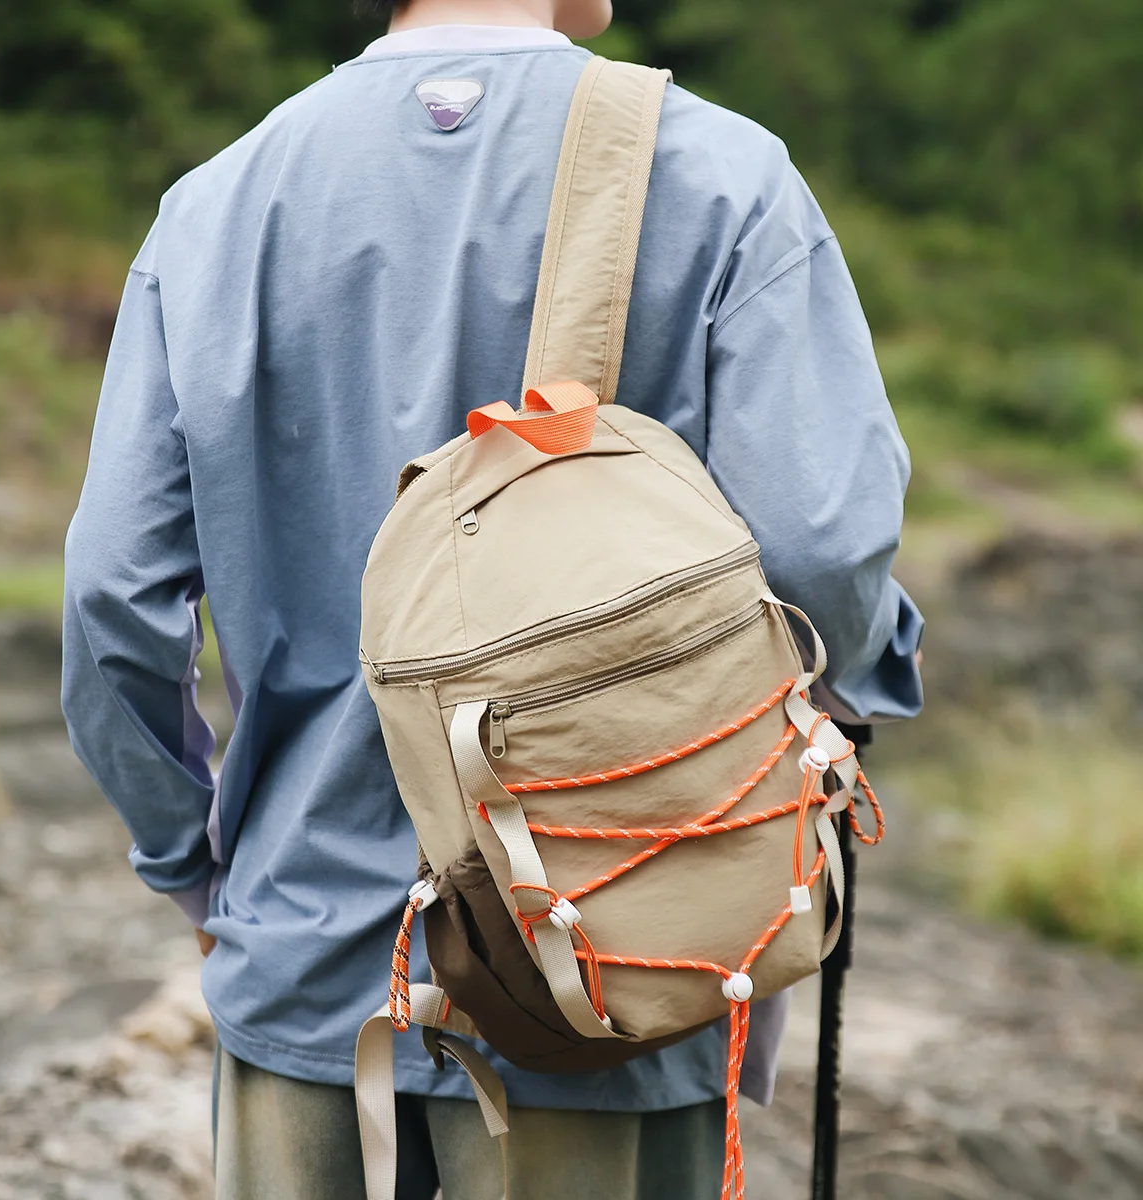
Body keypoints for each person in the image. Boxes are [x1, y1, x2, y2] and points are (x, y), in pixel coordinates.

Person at [61, 0, 924, 1196]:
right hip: (615, 954)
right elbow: (824, 551)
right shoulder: (721, 173)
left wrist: (194, 871)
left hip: (311, 962)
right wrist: (856, 678)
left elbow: (113, 598)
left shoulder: (218, 204)